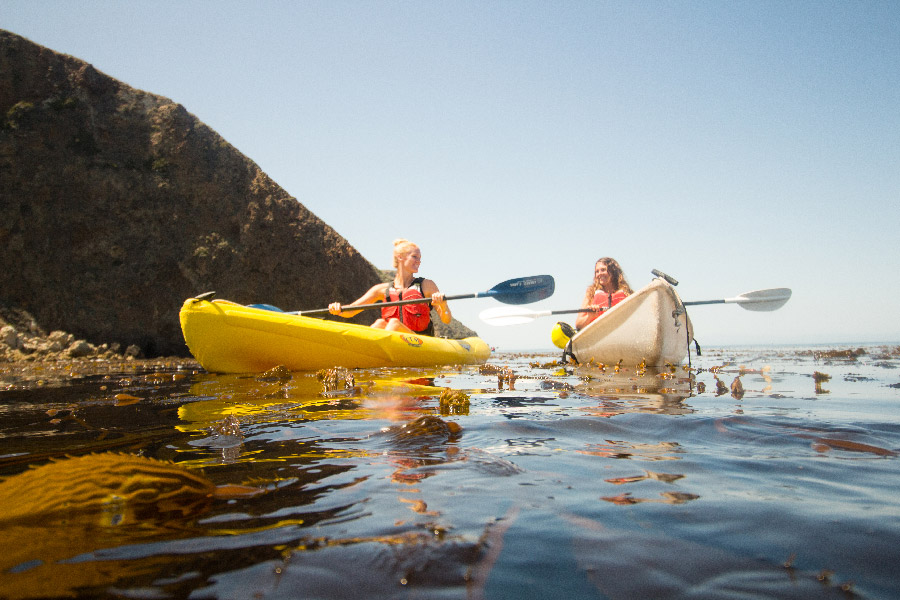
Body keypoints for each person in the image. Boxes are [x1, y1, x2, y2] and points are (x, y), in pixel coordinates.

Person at [328, 239, 451, 336]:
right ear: (400, 257)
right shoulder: (380, 289)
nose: (419, 261)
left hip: (420, 341)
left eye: (419, 258)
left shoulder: (427, 285)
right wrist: (338, 309)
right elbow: (351, 310)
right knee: (380, 323)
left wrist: (443, 304)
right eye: (414, 257)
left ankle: (374, 351)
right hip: (394, 339)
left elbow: (446, 319)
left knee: (393, 323)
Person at [574, 257, 633, 330]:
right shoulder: (591, 292)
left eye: (603, 270)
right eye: (597, 271)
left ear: (613, 271)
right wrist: (589, 316)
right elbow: (579, 325)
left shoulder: (627, 292)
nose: (599, 274)